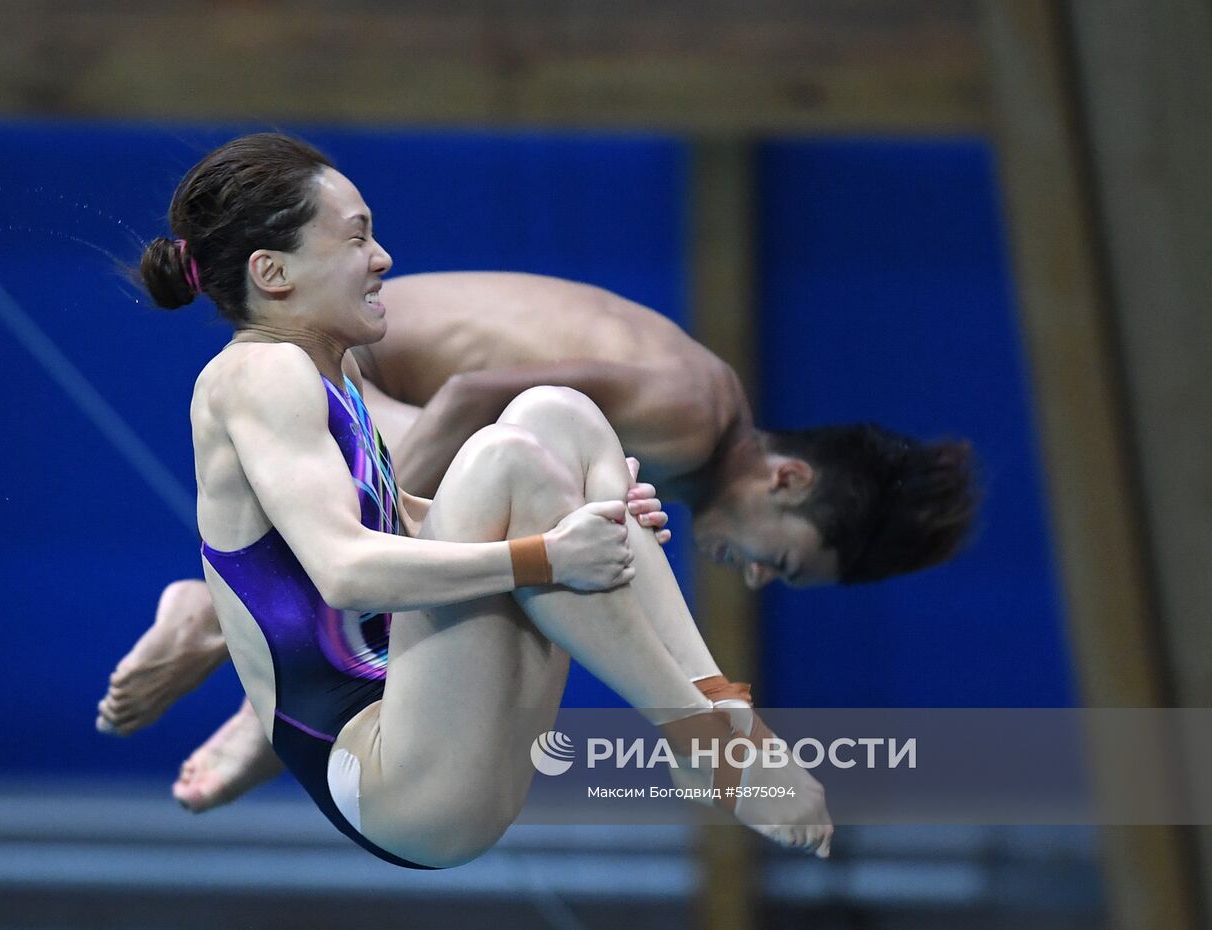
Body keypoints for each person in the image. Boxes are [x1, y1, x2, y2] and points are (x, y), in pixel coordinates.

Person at [130, 131, 832, 867]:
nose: (382, 259)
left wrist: (583, 511)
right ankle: (700, 740)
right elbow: (343, 570)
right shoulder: (257, 374)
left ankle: (719, 712)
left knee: (557, 414)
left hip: (439, 731)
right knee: (507, 459)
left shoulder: (330, 373)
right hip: (386, 776)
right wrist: (549, 552)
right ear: (273, 272)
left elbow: (398, 524)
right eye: (356, 238)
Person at [99, 282, 977, 815]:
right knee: (498, 502)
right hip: (346, 372)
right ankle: (217, 618)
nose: (750, 575)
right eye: (776, 561)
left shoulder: (702, 424)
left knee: (520, 524)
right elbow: (473, 397)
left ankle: (261, 674)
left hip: (376, 384)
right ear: (786, 480)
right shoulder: (694, 417)